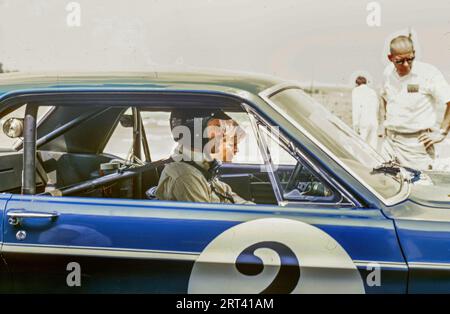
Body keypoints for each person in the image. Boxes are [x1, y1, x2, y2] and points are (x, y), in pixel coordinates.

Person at [380, 35, 450, 170]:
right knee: (383, 183)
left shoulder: (428, 74)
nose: (406, 64)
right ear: (390, 58)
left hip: (415, 146)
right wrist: (383, 123)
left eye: (410, 59)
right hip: (390, 143)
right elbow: (383, 97)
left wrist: (442, 132)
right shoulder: (388, 73)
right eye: (400, 61)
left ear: (414, 54)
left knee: (418, 186)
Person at [155, 108, 254, 204]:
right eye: (217, 126)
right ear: (196, 130)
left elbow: (231, 198)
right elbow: (207, 218)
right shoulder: (185, 176)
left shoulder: (201, 166)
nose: (223, 133)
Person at [351, 76, 380, 149]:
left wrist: (355, 124)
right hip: (374, 121)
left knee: (361, 146)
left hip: (363, 121)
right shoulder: (372, 91)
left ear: (357, 83)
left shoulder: (356, 91)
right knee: (373, 146)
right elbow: (377, 107)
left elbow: (356, 108)